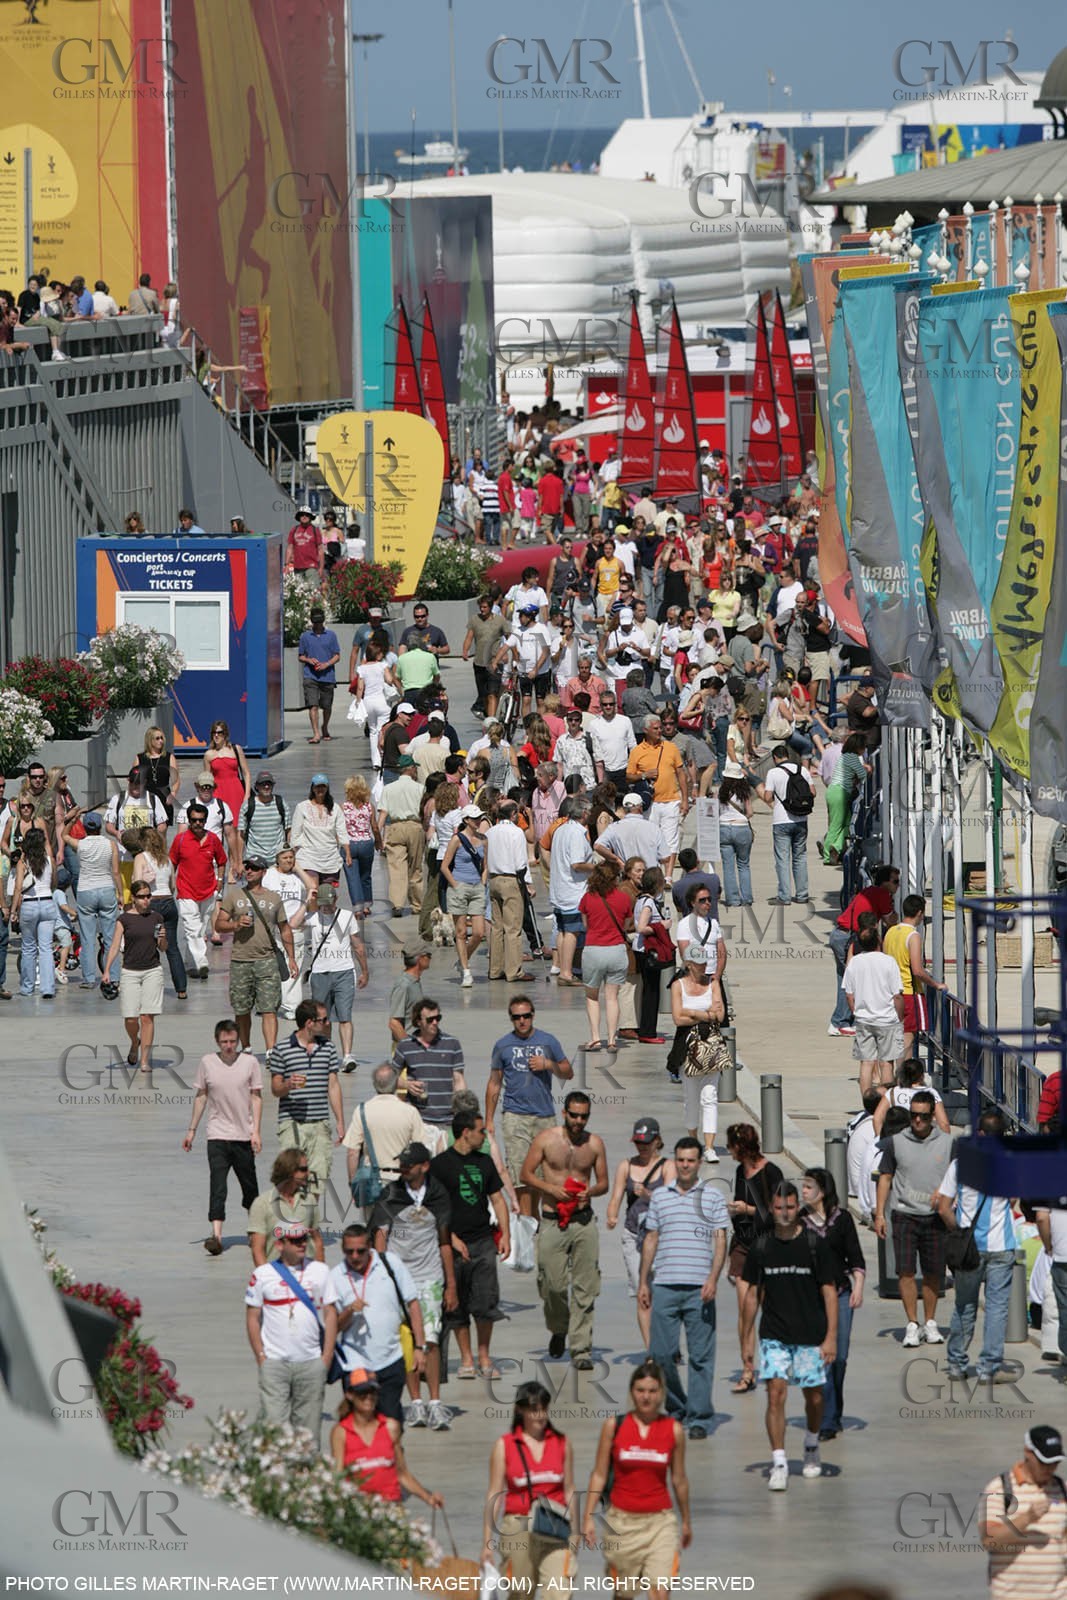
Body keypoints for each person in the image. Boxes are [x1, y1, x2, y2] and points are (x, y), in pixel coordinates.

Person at [741, 1182, 839, 1491]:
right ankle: (779, 1462)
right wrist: (745, 1339)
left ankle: (811, 1442)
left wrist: (831, 1337)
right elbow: (752, 1296)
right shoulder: (761, 1247)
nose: (785, 1213)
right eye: (779, 1207)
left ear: (799, 1208)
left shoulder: (814, 1245)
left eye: (791, 1207)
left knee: (814, 1396)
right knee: (775, 1393)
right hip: (775, 1334)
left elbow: (830, 1292)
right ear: (771, 1209)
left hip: (810, 1335)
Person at [639, 1137, 729, 1439]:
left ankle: (699, 1416)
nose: (685, 1165)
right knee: (660, 1354)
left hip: (699, 1288)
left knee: (701, 1356)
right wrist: (644, 1281)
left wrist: (713, 1278)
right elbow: (651, 1238)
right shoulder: (660, 1197)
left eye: (691, 1160)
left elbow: (720, 1239)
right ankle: (677, 1407)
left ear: (699, 1162)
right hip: (664, 1285)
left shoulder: (712, 1197)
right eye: (681, 1160)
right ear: (674, 1161)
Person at [583, 1360, 691, 1595]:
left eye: (652, 1391)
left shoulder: (673, 1429)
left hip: (660, 1522)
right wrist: (588, 1517)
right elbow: (599, 1474)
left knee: (660, 1591)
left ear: (661, 1393)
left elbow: (679, 1479)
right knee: (624, 1593)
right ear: (632, 1391)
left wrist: (685, 1521)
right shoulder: (614, 1426)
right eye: (640, 1390)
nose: (646, 1397)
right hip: (621, 1522)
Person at [371, 1142, 457, 1430]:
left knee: (430, 1340)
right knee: (406, 1342)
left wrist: (451, 1285)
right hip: (398, 1279)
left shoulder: (438, 1195)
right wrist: (383, 1276)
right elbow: (380, 1236)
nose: (403, 1169)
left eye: (409, 1165)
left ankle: (435, 1402)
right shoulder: (391, 1194)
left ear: (425, 1166)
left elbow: (444, 1242)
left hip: (429, 1277)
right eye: (402, 1165)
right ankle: (416, 1403)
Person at [520, 1092, 608, 1370]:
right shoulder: (546, 1140)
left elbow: (603, 1183)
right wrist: (550, 1188)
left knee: (585, 1287)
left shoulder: (595, 1144)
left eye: (584, 1116)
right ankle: (559, 1328)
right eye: (574, 1115)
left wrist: (590, 1191)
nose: (579, 1121)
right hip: (552, 1220)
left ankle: (581, 1349)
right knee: (553, 1285)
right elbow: (525, 1174)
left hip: (583, 1222)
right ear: (564, 1113)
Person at [934, 1109, 1019, 1384]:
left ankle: (956, 1363)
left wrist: (958, 1231)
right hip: (1001, 1245)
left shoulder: (960, 1165)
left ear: (979, 1134)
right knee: (997, 1308)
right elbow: (1013, 1200)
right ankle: (989, 1367)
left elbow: (943, 1207)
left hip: (969, 1249)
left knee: (964, 1305)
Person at [431, 1106, 510, 1380]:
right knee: (458, 1304)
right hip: (452, 1245)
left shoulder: (485, 1162)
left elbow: (497, 1199)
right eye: (481, 1131)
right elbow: (433, 1208)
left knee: (486, 1301)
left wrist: (506, 1235)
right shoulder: (439, 1165)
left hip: (483, 1240)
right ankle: (466, 1358)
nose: (484, 1136)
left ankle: (484, 1357)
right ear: (466, 1133)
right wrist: (451, 1238)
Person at [244, 1221, 338, 1446]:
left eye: (304, 1239)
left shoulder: (320, 1271)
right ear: (280, 1244)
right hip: (275, 1363)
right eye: (295, 1241)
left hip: (311, 1363)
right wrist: (261, 1357)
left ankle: (306, 1467)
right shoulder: (262, 1274)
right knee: (273, 1428)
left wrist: (326, 1358)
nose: (302, 1244)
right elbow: (252, 1317)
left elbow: (331, 1314)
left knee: (308, 1433)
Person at [874, 1089, 953, 1348]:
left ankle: (930, 1322)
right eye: (914, 1115)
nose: (918, 1120)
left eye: (924, 1116)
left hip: (935, 1217)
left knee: (933, 1273)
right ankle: (912, 1323)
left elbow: (956, 1176)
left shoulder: (947, 1143)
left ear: (932, 1117)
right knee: (906, 1271)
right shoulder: (895, 1142)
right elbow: (885, 1177)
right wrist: (879, 1214)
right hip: (904, 1215)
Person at [482, 1380, 577, 1593]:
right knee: (521, 1591)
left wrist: (576, 1531)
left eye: (544, 1409)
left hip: (555, 1525)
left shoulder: (562, 1443)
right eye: (534, 1410)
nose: (540, 1416)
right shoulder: (505, 1445)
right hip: (519, 1525)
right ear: (520, 1410)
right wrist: (487, 1541)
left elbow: (569, 1488)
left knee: (560, 1591)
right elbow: (494, 1494)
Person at [329, 1223, 427, 1422]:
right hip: (356, 1363)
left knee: (391, 1423)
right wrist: (349, 1311)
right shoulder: (336, 1276)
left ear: (370, 1247)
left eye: (360, 1251)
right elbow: (333, 1327)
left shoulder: (390, 1264)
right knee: (359, 1423)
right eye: (349, 1251)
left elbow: (413, 1304)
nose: (355, 1256)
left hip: (391, 1359)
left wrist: (419, 1347)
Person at [487, 997, 572, 1218]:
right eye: (517, 1017)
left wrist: (548, 1064)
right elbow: (494, 1083)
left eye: (526, 1016)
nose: (522, 1021)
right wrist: (489, 1120)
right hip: (515, 1115)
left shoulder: (548, 1041)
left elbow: (568, 1072)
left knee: (544, 1173)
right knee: (520, 1172)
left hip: (544, 1116)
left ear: (533, 1015)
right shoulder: (502, 1045)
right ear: (511, 1018)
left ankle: (536, 1218)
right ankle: (527, 1221)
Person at [184, 1019, 262, 1256]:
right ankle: (216, 1235)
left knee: (250, 1186)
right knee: (218, 1185)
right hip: (217, 1134)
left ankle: (255, 1230)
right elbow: (201, 1096)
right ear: (217, 1041)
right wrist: (191, 1130)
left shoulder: (250, 1062)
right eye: (224, 1042)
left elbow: (256, 1097)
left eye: (233, 1041)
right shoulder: (207, 1062)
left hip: (243, 1135)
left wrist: (256, 1131)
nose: (229, 1046)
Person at [800, 1168, 866, 1441]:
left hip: (840, 1295)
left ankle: (834, 1412)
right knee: (822, 1359)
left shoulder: (843, 1219)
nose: (803, 1191)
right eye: (803, 1186)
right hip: (812, 1299)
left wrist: (858, 1287)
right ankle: (826, 1420)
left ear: (822, 1191)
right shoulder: (800, 1221)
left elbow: (856, 1258)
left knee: (839, 1358)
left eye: (808, 1186)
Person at [723, 1124, 784, 1395]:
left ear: (741, 1146)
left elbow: (780, 1213)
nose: (729, 1150)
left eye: (731, 1146)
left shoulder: (772, 1173)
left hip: (767, 1246)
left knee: (768, 1311)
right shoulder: (740, 1171)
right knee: (744, 1312)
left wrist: (747, 1209)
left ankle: (773, 1364)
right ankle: (747, 1369)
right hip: (742, 1245)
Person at [216, 858, 297, 1055]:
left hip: (267, 960)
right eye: (247, 867)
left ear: (263, 872)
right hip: (240, 960)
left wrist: (291, 957)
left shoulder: (274, 898)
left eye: (254, 868)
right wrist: (235, 924)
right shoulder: (234, 896)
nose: (249, 871)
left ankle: (270, 1051)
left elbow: (285, 929)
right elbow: (219, 924)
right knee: (242, 1009)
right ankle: (246, 1048)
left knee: (269, 1009)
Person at [607, 1119, 676, 1346]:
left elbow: (672, 1201)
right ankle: (652, 1350)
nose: (642, 1147)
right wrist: (612, 1215)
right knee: (643, 1293)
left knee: (663, 1296)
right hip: (634, 1237)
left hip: (661, 1238)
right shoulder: (626, 1166)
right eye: (638, 1142)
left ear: (657, 1141)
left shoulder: (667, 1167)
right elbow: (616, 1197)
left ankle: (666, 1342)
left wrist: (648, 1194)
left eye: (646, 1142)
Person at [979, 1425, 1067, 1599]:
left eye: (1055, 1462)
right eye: (1044, 1462)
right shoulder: (999, 1489)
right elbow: (989, 1540)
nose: (1050, 1468)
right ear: (1028, 1452)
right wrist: (1027, 1518)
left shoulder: (1063, 1489)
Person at [331, 1372, 444, 1508]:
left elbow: (402, 1474)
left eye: (373, 1392)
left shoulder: (390, 1427)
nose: (369, 1397)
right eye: (363, 1392)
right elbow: (338, 1475)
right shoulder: (341, 1432)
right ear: (350, 1395)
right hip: (358, 1509)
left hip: (390, 1506)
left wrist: (428, 1497)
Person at [269, 999, 345, 1196]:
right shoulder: (282, 1049)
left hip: (320, 1124)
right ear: (309, 1023)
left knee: (318, 1178)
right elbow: (275, 1089)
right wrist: (287, 1085)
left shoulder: (328, 1048)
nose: (328, 1023)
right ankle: (291, 1214)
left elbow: (333, 1086)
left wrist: (340, 1121)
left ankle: (309, 1214)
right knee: (290, 1176)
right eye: (323, 1020)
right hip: (292, 1123)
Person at [303, 882, 368, 1071]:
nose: (326, 907)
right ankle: (327, 1054)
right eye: (322, 903)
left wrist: (365, 971)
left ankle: (347, 1056)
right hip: (319, 973)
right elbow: (292, 924)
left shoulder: (347, 916)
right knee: (322, 1018)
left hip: (344, 971)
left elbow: (358, 945)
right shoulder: (313, 917)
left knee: (345, 1016)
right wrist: (307, 901)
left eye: (329, 903)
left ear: (336, 899)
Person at [828, 867, 900, 1038]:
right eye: (895, 881)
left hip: (841, 935)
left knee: (845, 978)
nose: (898, 886)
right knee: (851, 980)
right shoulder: (882, 894)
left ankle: (840, 1020)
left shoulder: (870, 891)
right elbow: (890, 920)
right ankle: (840, 1022)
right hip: (848, 938)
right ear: (885, 882)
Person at [102, 880, 166, 1070]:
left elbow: (163, 948)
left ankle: (144, 1060)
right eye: (141, 897)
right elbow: (115, 946)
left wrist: (162, 938)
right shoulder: (124, 919)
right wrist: (107, 970)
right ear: (134, 898)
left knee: (147, 1016)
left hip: (152, 970)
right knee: (130, 1017)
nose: (146, 900)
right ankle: (134, 1041)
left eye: (148, 896)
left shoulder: (157, 918)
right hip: (130, 971)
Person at [392, 1000, 466, 1148]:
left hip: (448, 1121)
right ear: (418, 1022)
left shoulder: (452, 1044)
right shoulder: (405, 1046)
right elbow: (391, 1078)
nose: (435, 1022)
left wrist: (463, 1113)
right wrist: (407, 1085)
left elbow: (459, 1080)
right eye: (430, 1019)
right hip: (418, 1122)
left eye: (438, 1018)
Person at [842, 926, 906, 1094]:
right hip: (887, 1019)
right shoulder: (889, 961)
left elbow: (849, 994)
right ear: (879, 941)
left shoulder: (855, 962)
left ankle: (867, 1101)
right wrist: (900, 1017)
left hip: (863, 1019)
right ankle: (886, 1101)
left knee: (866, 1063)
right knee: (886, 1063)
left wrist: (856, 1012)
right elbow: (897, 995)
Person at [578, 859, 632, 1052]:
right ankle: (611, 1040)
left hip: (594, 949)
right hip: (616, 950)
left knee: (592, 997)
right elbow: (626, 925)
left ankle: (595, 1038)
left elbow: (586, 925)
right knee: (612, 998)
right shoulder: (624, 898)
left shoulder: (587, 898)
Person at [64, 810, 122, 990]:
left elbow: (64, 835)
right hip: (106, 889)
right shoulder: (110, 844)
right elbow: (115, 872)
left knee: (87, 938)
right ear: (100, 826)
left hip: (86, 890)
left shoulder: (80, 844)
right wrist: (120, 893)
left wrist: (72, 820)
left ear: (85, 827)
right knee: (110, 937)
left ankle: (89, 978)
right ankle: (113, 976)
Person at [883, 895, 946, 1060]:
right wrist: (935, 984)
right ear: (919, 913)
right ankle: (904, 1072)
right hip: (908, 992)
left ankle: (892, 1070)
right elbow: (917, 970)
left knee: (892, 1037)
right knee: (907, 1039)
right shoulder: (913, 936)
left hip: (890, 991)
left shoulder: (890, 932)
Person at [626, 717, 689, 878]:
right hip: (650, 803)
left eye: (660, 728)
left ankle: (668, 877)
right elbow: (629, 776)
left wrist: (684, 799)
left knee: (671, 840)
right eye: (655, 728)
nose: (660, 731)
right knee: (651, 841)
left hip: (671, 801)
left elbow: (681, 773)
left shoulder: (671, 747)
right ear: (646, 730)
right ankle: (655, 875)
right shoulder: (637, 751)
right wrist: (644, 775)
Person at [756, 745, 816, 905]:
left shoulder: (773, 772)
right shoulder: (803, 770)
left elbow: (768, 797)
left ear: (775, 758)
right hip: (801, 820)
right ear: (787, 755)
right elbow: (813, 793)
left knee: (783, 860)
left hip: (781, 821)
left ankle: (784, 896)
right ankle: (802, 895)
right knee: (800, 857)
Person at [248, 1147, 325, 1265]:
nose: (308, 1173)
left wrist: (321, 1271)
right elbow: (257, 1249)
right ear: (290, 1171)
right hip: (277, 1272)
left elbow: (317, 1241)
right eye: (303, 1169)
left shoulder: (309, 1200)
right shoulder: (262, 1204)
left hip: (306, 1272)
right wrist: (267, 1275)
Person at [439, 804, 488, 986]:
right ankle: (466, 971)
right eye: (475, 818)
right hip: (459, 886)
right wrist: (455, 884)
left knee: (478, 932)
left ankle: (462, 959)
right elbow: (444, 866)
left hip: (477, 887)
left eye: (479, 818)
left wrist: (483, 882)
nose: (478, 821)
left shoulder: (484, 840)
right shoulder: (457, 840)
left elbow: (486, 865)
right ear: (466, 820)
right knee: (460, 932)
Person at [486, 799, 534, 982]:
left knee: (497, 927)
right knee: (513, 928)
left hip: (494, 879)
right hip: (511, 879)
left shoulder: (490, 832)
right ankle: (514, 971)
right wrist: (528, 883)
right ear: (513, 814)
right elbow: (521, 862)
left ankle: (495, 969)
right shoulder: (516, 832)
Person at [11, 826, 57, 998]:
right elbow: (54, 883)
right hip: (47, 902)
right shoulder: (49, 860)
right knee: (46, 948)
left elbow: (18, 888)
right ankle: (48, 988)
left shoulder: (23, 863)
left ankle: (27, 987)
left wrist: (14, 910)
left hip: (29, 904)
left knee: (28, 947)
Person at [378, 755, 425, 917]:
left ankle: (397, 904)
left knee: (396, 867)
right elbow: (425, 813)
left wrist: (378, 836)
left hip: (395, 827)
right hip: (415, 826)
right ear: (411, 769)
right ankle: (417, 904)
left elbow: (383, 815)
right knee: (415, 867)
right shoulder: (420, 788)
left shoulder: (389, 788)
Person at [292, 775, 350, 888]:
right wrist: (292, 855)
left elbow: (342, 832)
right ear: (312, 788)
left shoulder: (335, 808)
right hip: (308, 857)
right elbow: (296, 834)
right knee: (313, 889)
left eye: (323, 786)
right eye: (317, 786)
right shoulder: (302, 807)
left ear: (327, 788)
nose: (320, 789)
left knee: (327, 894)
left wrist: (347, 853)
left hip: (330, 859)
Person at [822, 733, 871, 865]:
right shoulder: (853, 758)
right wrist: (868, 769)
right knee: (836, 826)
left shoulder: (845, 756)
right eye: (864, 746)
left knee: (848, 823)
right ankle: (827, 855)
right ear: (859, 747)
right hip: (840, 793)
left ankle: (836, 846)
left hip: (835, 791)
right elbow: (863, 775)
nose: (865, 749)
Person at [237, 772, 292, 878]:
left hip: (277, 860)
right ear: (257, 786)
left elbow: (288, 831)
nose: (266, 787)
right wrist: (239, 862)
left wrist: (289, 856)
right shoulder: (248, 805)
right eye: (263, 784)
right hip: (254, 860)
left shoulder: (281, 803)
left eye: (269, 784)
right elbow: (241, 836)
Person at [463, 594, 507, 718]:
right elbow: (469, 637)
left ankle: (492, 721)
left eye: (484, 607)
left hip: (494, 662)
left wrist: (513, 654)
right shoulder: (474, 620)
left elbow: (510, 639)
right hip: (479, 662)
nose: (482, 609)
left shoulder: (500, 621)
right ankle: (489, 717)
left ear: (491, 607)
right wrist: (465, 650)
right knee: (484, 695)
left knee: (492, 694)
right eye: (480, 607)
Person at [717, 778, 754, 908]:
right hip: (741, 827)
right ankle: (746, 898)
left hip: (724, 827)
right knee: (743, 864)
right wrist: (742, 817)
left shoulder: (721, 792)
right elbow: (750, 812)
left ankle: (733, 899)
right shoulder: (744, 792)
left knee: (728, 867)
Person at [204, 719, 251, 823]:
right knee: (219, 823)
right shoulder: (209, 754)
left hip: (236, 791)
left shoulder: (236, 749)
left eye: (219, 732)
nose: (216, 735)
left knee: (238, 824)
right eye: (214, 733)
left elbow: (246, 773)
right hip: (218, 792)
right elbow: (207, 779)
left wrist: (247, 794)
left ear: (225, 734)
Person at [590, 692, 635, 791]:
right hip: (605, 772)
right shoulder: (594, 724)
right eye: (605, 704)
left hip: (624, 770)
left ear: (615, 704)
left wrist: (632, 769)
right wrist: (600, 779)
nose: (608, 707)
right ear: (600, 705)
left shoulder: (625, 720)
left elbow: (632, 746)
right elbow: (596, 753)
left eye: (611, 704)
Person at [387, 945, 432, 1047]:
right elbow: (394, 1023)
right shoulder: (403, 985)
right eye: (428, 955)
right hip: (407, 1048)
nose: (430, 958)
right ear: (420, 959)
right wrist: (409, 1048)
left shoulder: (414, 981)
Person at [138, 724, 180, 824]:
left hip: (164, 797)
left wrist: (173, 794)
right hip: (146, 797)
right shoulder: (140, 758)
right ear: (150, 740)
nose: (161, 741)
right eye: (157, 738)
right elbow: (134, 780)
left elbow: (176, 780)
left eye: (162, 738)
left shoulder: (169, 757)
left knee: (162, 829)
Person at [286, 507, 325, 583]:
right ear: (299, 517)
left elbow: (320, 550)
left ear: (310, 517)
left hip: (312, 567)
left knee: (312, 588)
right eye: (302, 515)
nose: (304, 516)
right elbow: (290, 548)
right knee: (299, 589)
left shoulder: (315, 530)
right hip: (297, 567)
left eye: (307, 515)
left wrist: (321, 568)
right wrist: (286, 564)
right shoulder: (294, 530)